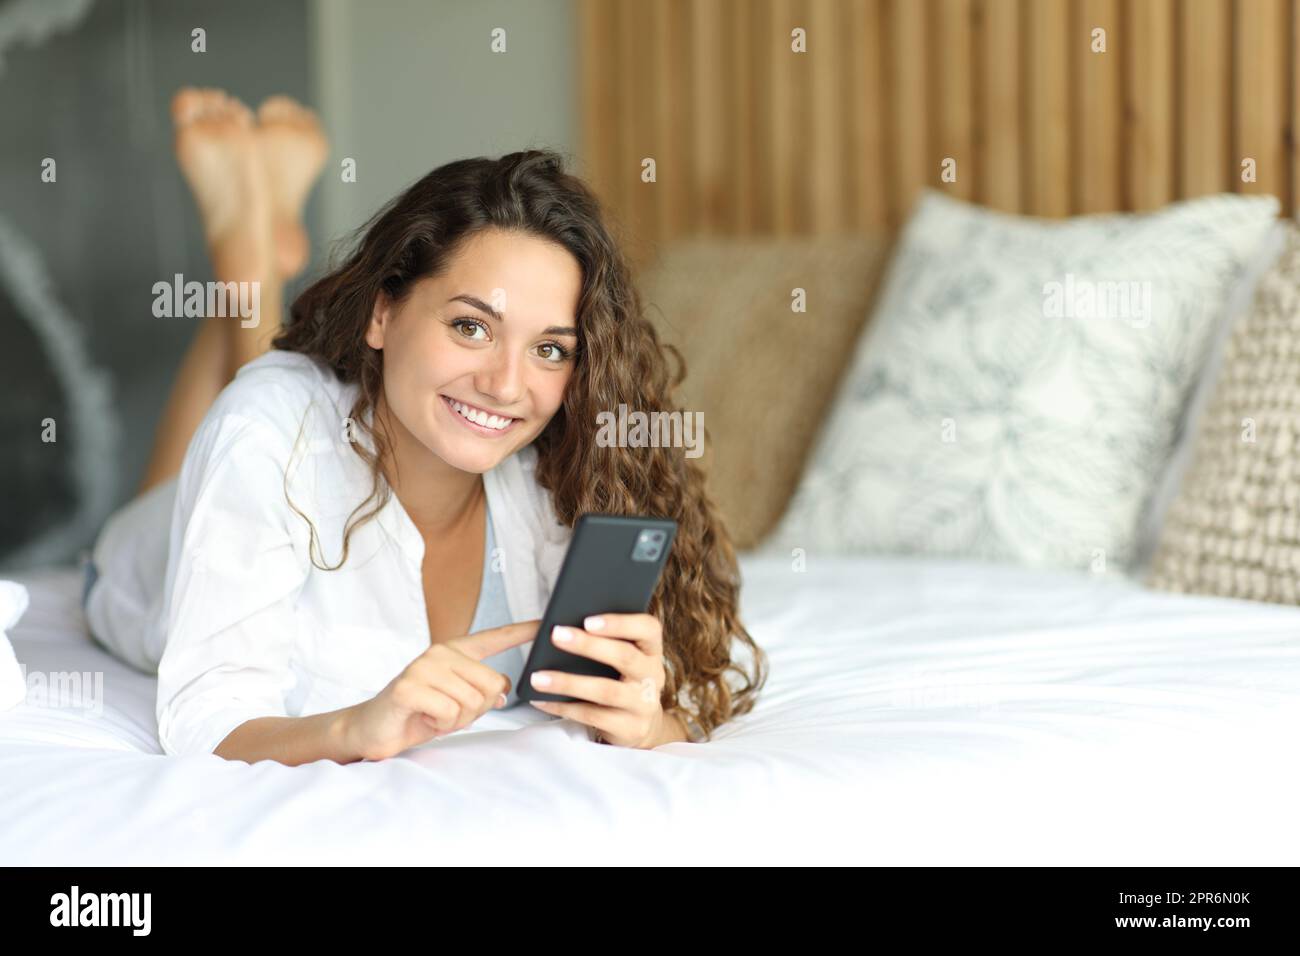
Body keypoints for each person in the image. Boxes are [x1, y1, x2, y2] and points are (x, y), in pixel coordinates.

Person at [85, 86, 767, 766]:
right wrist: (355, 728)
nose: (505, 385)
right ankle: (244, 267)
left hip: (274, 435)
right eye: (471, 327)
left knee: (258, 395)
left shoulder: (554, 476)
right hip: (144, 558)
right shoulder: (264, 436)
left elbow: (678, 714)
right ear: (382, 313)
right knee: (246, 413)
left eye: (549, 349)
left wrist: (650, 724)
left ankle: (253, 261)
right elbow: (208, 720)